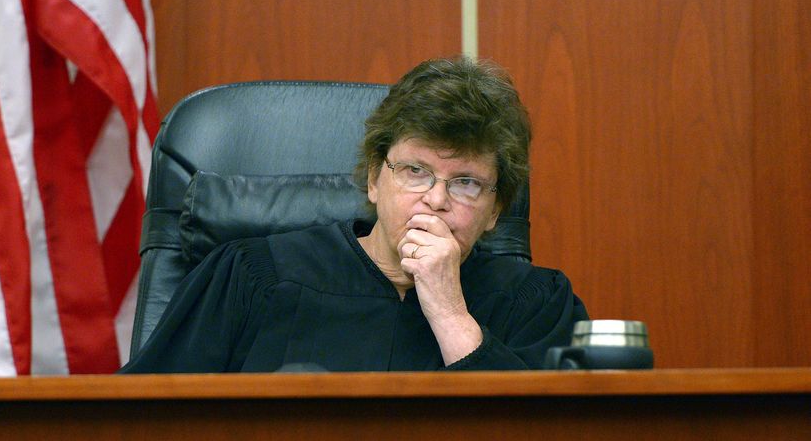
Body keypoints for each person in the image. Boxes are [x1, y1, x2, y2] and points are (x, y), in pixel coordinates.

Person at [120, 57, 587, 373]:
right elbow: (144, 419)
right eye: (415, 171)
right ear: (372, 181)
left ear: (495, 211)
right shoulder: (251, 274)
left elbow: (541, 430)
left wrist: (449, 311)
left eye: (465, 182)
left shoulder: (537, 303)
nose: (436, 199)